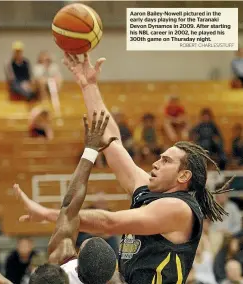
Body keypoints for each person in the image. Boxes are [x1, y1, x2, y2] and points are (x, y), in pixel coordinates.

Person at [15, 54, 233, 284]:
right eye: (160, 157)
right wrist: (88, 85)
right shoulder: (149, 190)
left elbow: (109, 223)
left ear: (183, 175)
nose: (157, 162)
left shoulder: (179, 208)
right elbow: (111, 142)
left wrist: (48, 215)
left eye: (167, 160)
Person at [14, 111, 124, 284]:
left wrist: (90, 151)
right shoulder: (115, 280)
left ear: (78, 260)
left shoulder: (62, 262)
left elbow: (68, 205)